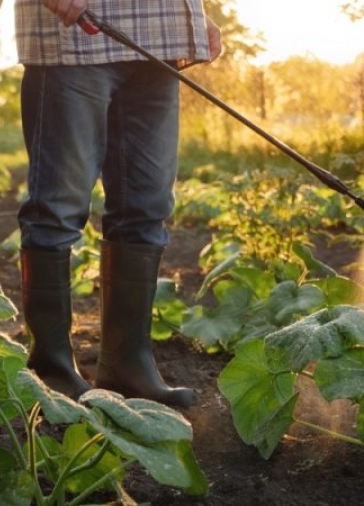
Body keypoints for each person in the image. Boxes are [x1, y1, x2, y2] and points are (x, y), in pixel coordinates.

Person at [14, 0, 222, 407]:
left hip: (159, 38)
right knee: (57, 209)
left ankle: (128, 365)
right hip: (74, 37)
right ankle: (52, 373)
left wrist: (193, 17)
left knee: (146, 208)